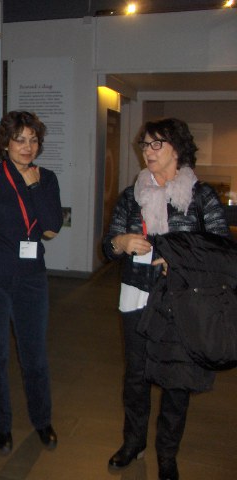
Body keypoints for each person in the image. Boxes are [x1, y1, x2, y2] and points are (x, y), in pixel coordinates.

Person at [103, 118, 230, 480]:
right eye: (145, 145)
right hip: (137, 295)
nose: (148, 152)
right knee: (136, 376)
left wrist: (176, 257)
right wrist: (121, 243)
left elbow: (220, 250)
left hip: (181, 301)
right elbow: (108, 248)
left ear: (178, 148)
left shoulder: (200, 196)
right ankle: (133, 442)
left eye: (156, 144)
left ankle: (167, 453)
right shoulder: (132, 195)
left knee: (176, 380)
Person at [0, 110, 63, 453]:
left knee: (35, 355)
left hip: (32, 278)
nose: (27, 147)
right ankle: (1, 425)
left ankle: (42, 421)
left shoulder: (46, 178)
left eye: (33, 140)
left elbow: (51, 228)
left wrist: (34, 187)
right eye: (20, 139)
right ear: (5, 143)